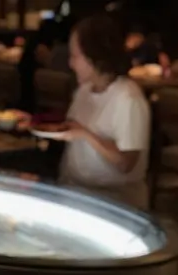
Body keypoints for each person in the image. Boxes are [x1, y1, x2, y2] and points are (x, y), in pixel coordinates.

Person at [58, 15, 151, 210]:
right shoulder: (84, 91)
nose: (71, 63)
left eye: (75, 56)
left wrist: (85, 134)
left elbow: (126, 163)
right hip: (75, 193)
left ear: (96, 58)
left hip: (115, 203)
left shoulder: (128, 98)